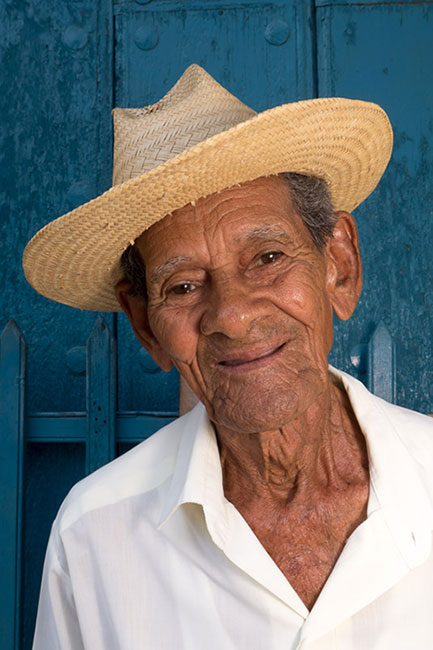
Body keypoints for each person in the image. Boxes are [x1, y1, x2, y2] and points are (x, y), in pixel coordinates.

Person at [24, 65, 433, 650]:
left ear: (338, 265)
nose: (233, 316)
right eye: (184, 286)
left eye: (267, 257)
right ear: (144, 324)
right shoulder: (95, 535)